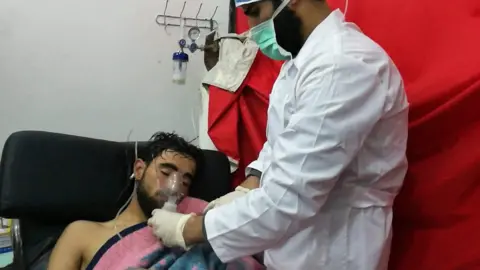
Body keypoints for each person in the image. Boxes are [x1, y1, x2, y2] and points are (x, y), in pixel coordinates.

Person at [147, 0, 409, 269]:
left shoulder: (342, 66)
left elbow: (289, 198)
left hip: (334, 250)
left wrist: (187, 228)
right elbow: (281, 145)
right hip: (291, 245)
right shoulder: (299, 64)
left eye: (254, 13)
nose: (251, 28)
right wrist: (247, 186)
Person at [47, 132, 203, 270]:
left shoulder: (192, 226)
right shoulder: (82, 234)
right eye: (165, 172)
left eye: (185, 182)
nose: (174, 188)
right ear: (139, 170)